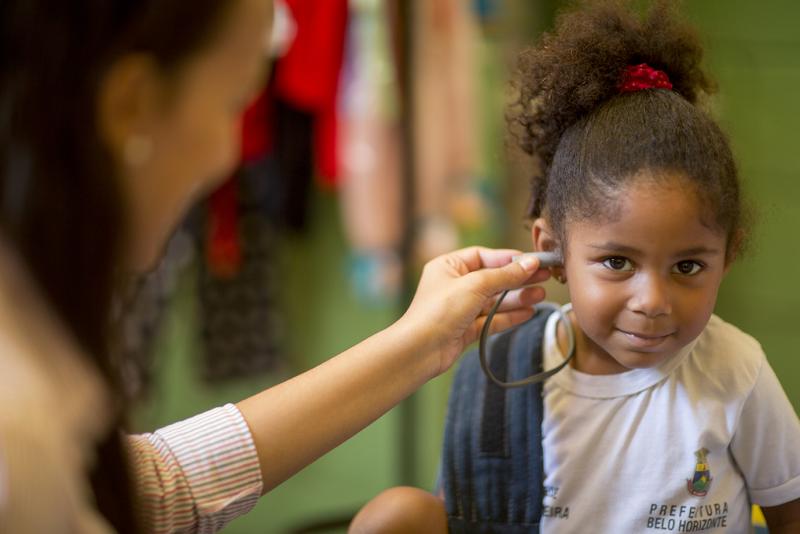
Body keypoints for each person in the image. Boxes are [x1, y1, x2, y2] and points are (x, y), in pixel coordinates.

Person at [0, 0, 554, 532]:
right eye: (232, 104)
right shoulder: (18, 437)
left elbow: (150, 492)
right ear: (131, 105)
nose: (227, 156)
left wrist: (421, 341)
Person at [349, 1, 800, 533]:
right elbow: (475, 512)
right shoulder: (506, 372)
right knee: (395, 516)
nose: (652, 300)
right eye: (616, 262)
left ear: (727, 258)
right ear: (553, 251)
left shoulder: (736, 371)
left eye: (687, 267)